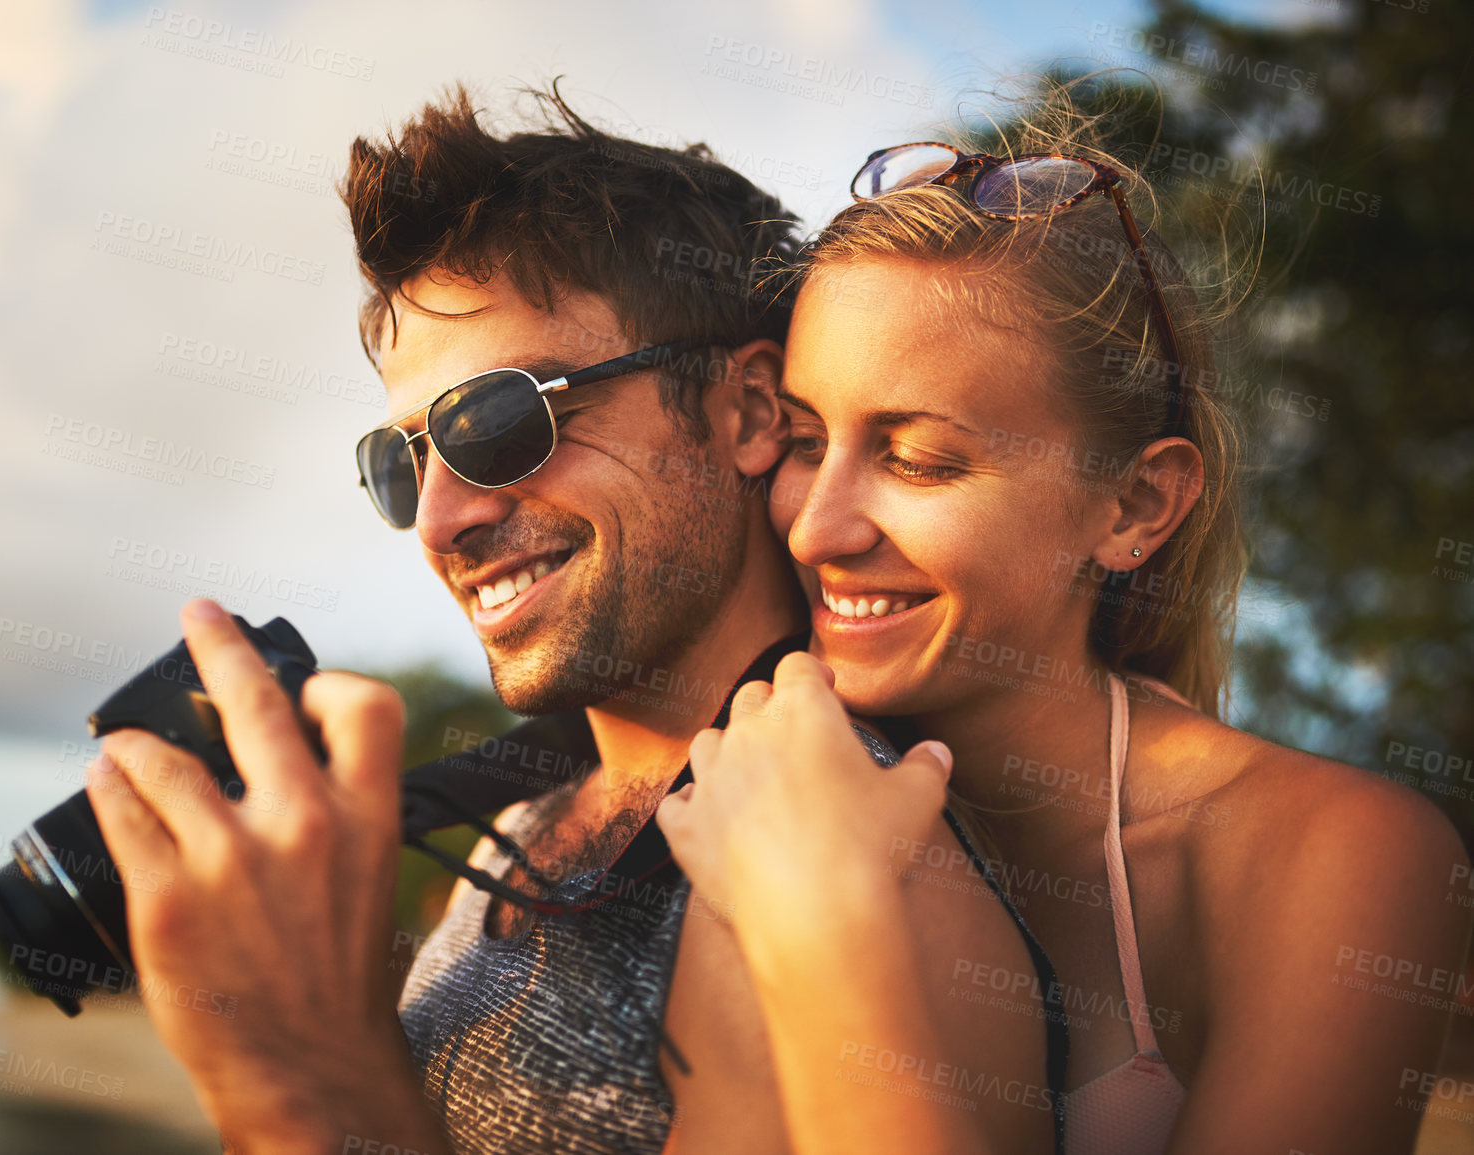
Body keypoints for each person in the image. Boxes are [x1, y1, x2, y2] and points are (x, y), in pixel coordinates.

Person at [84, 89, 1056, 1155]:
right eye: (406, 463)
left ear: (745, 413)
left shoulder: (849, 865)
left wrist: (296, 1088)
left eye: (498, 422)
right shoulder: (516, 835)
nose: (442, 520)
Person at [654, 107, 1474, 1155]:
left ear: (1133, 507)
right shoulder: (753, 797)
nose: (817, 525)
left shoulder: (1340, 856)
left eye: (918, 460)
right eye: (808, 441)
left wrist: (823, 933)